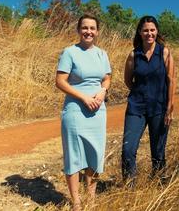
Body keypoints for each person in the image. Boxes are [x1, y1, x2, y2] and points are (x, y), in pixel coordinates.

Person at [55, 14, 111, 210]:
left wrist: (103, 91)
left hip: (97, 112)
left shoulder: (102, 54)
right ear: (79, 30)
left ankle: (92, 199)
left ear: (97, 31)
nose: (89, 31)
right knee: (74, 155)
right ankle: (77, 202)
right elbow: (60, 81)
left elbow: (106, 78)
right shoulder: (70, 52)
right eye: (85, 28)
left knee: (95, 154)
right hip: (75, 111)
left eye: (92, 28)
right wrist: (84, 97)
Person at [121, 15, 176, 182]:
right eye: (145, 30)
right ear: (140, 32)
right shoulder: (133, 55)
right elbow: (128, 80)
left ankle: (159, 183)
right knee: (128, 149)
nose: (149, 33)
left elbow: (171, 80)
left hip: (159, 108)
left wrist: (169, 107)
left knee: (158, 151)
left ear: (157, 31)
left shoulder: (164, 53)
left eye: (152, 30)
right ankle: (129, 186)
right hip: (136, 107)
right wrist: (140, 92)